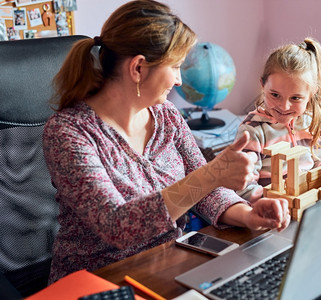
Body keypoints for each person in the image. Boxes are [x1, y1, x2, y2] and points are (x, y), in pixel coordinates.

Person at [43, 0, 290, 284]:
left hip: (165, 266)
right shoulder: (68, 132)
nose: (179, 79)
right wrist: (212, 173)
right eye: (175, 66)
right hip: (99, 281)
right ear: (138, 68)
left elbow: (205, 190)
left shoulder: (166, 116)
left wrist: (248, 215)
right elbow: (117, 226)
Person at [235, 38, 321, 202]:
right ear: (262, 85)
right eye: (275, 95)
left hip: (309, 206)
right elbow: (244, 189)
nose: (284, 106)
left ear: (312, 94)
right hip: (273, 212)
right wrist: (279, 202)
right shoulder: (252, 131)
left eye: (295, 98)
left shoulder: (309, 122)